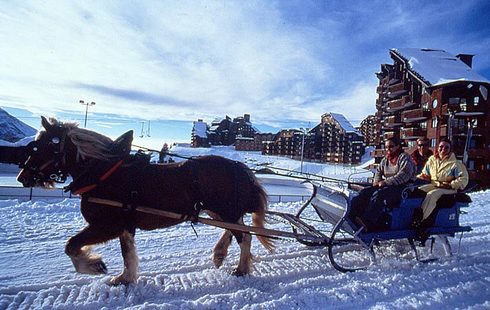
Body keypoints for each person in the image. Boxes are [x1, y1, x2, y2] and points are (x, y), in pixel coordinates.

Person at [350, 137, 417, 231]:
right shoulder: (386, 159)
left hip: (403, 189)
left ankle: (368, 223)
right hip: (388, 186)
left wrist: (386, 182)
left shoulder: (405, 158)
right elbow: (378, 172)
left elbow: (403, 175)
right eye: (386, 147)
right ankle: (354, 215)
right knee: (365, 192)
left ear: (398, 146)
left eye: (391, 147)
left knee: (379, 195)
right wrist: (377, 182)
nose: (388, 149)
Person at [415, 138, 469, 224]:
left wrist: (451, 185)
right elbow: (425, 174)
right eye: (441, 146)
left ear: (450, 149)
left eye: (446, 147)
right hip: (435, 185)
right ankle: (413, 214)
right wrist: (418, 178)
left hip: (449, 189)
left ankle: (421, 220)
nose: (443, 149)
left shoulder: (455, 163)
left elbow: (463, 179)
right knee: (417, 191)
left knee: (432, 195)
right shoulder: (432, 159)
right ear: (437, 147)